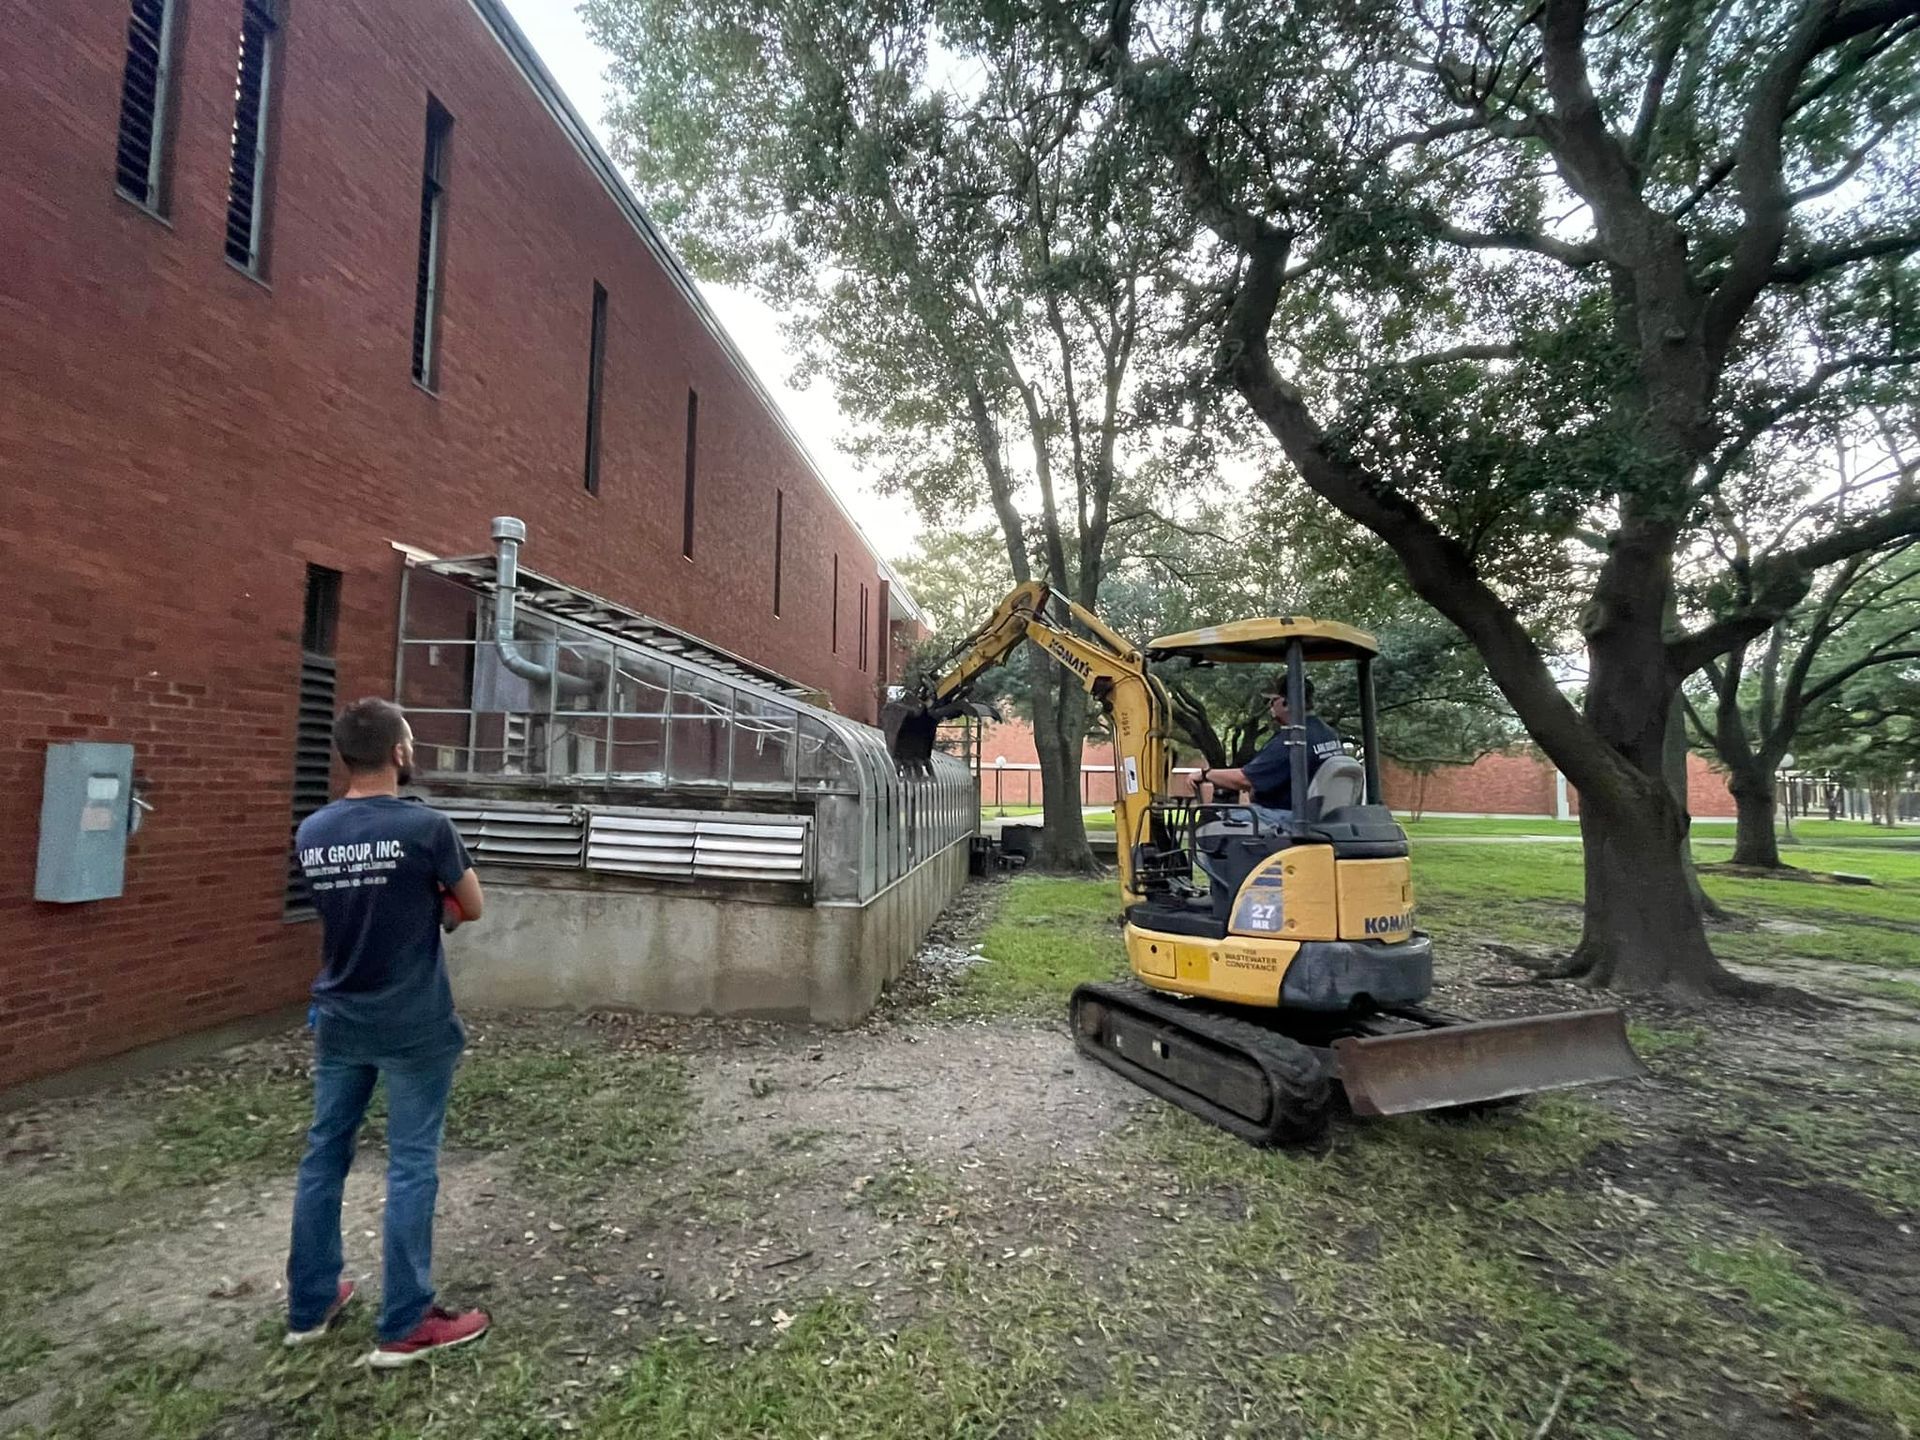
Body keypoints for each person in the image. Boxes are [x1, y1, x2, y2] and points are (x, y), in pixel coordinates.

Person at [285, 697, 491, 1367]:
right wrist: (438, 909)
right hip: (413, 1021)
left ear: (346, 754)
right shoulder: (427, 827)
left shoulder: (313, 831)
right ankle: (404, 1324)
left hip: (340, 1016)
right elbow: (472, 906)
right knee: (410, 1165)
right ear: (400, 753)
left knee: (324, 1156)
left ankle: (310, 1306)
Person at [1192, 677, 1345, 891]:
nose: (1270, 707)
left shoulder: (1292, 740)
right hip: (1317, 816)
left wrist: (1205, 774)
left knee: (1208, 829)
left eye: (1272, 701)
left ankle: (1227, 895)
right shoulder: (1327, 734)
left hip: (1287, 817)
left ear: (1285, 703)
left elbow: (1243, 779)